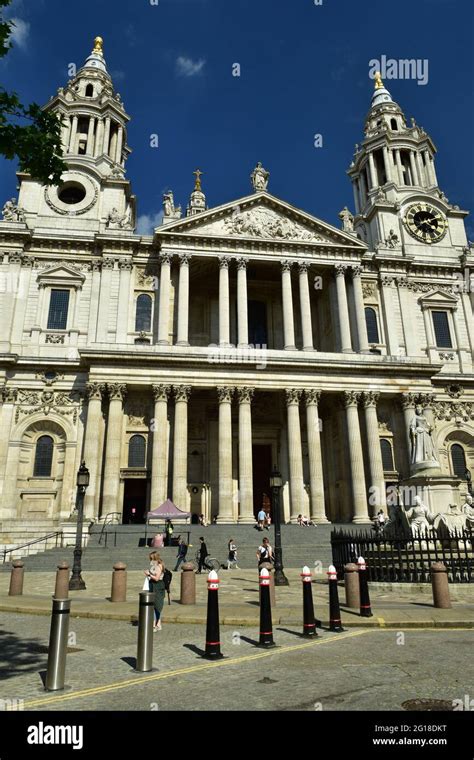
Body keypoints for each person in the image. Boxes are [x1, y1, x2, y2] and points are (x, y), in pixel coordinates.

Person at [144, 551, 166, 631]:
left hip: (158, 586)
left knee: (157, 605)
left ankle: (155, 624)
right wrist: (148, 573)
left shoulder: (159, 566)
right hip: (152, 586)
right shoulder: (154, 565)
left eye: (151, 558)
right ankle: (157, 623)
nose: (150, 560)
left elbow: (157, 578)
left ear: (155, 558)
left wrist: (149, 574)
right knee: (153, 605)